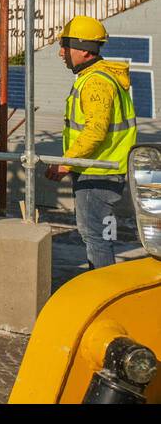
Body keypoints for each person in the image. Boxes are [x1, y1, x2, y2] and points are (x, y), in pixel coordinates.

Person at [44, 16, 138, 270]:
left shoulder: (95, 82)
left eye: (65, 46)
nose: (61, 53)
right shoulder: (97, 77)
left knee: (95, 236)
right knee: (98, 236)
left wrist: (66, 164)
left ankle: (101, 290)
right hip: (101, 169)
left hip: (97, 172)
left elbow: (95, 131)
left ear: (85, 50)